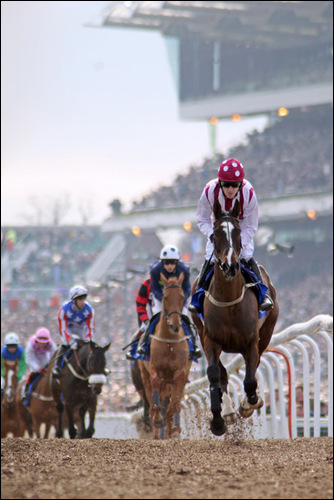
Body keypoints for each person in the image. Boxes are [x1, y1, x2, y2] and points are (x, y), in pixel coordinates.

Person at [190, 158, 274, 312]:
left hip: (239, 229)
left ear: (240, 184)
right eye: (226, 185)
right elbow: (202, 219)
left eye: (235, 185)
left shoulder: (248, 193)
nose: (230, 189)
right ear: (220, 183)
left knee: (246, 256)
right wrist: (211, 236)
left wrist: (238, 244)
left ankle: (263, 295)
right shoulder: (209, 190)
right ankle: (198, 295)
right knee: (210, 257)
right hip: (219, 230)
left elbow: (251, 225)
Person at [137, 245, 202, 359]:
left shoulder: (184, 270)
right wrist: (165, 298)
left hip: (178, 299)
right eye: (166, 263)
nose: (169, 266)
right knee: (155, 317)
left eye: (172, 263)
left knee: (185, 318)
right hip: (161, 299)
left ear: (177, 262)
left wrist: (180, 298)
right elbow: (155, 288)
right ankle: (144, 344)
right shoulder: (155, 270)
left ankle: (193, 345)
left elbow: (187, 288)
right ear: (162, 262)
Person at [52, 285, 95, 379]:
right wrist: (70, 341)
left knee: (92, 345)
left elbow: (90, 328)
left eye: (83, 298)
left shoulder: (90, 310)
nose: (82, 301)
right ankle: (57, 366)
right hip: (68, 330)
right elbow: (63, 329)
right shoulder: (63, 310)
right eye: (79, 299)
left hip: (81, 330)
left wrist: (88, 339)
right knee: (64, 343)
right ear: (74, 300)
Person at [22, 328, 57, 402]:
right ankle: (26, 392)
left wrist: (49, 367)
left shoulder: (52, 345)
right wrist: (37, 368)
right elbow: (29, 359)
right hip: (34, 356)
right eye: (40, 342)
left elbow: (54, 358)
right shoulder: (30, 345)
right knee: (32, 375)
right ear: (36, 340)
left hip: (44, 355)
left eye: (44, 342)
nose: (42, 344)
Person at [126, 277, 153, 360]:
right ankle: (133, 350)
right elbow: (140, 304)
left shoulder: (174, 280)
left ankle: (192, 347)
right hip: (150, 309)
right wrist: (145, 319)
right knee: (144, 327)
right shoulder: (147, 284)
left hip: (169, 311)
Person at [1, 332, 26, 401]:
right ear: (7, 346)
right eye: (10, 346)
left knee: (23, 384)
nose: (12, 348)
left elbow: (23, 365)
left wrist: (19, 375)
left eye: (14, 346)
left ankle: (23, 400)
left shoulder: (21, 352)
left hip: (16, 372)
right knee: (1, 383)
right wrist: (3, 374)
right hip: (6, 373)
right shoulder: (2, 352)